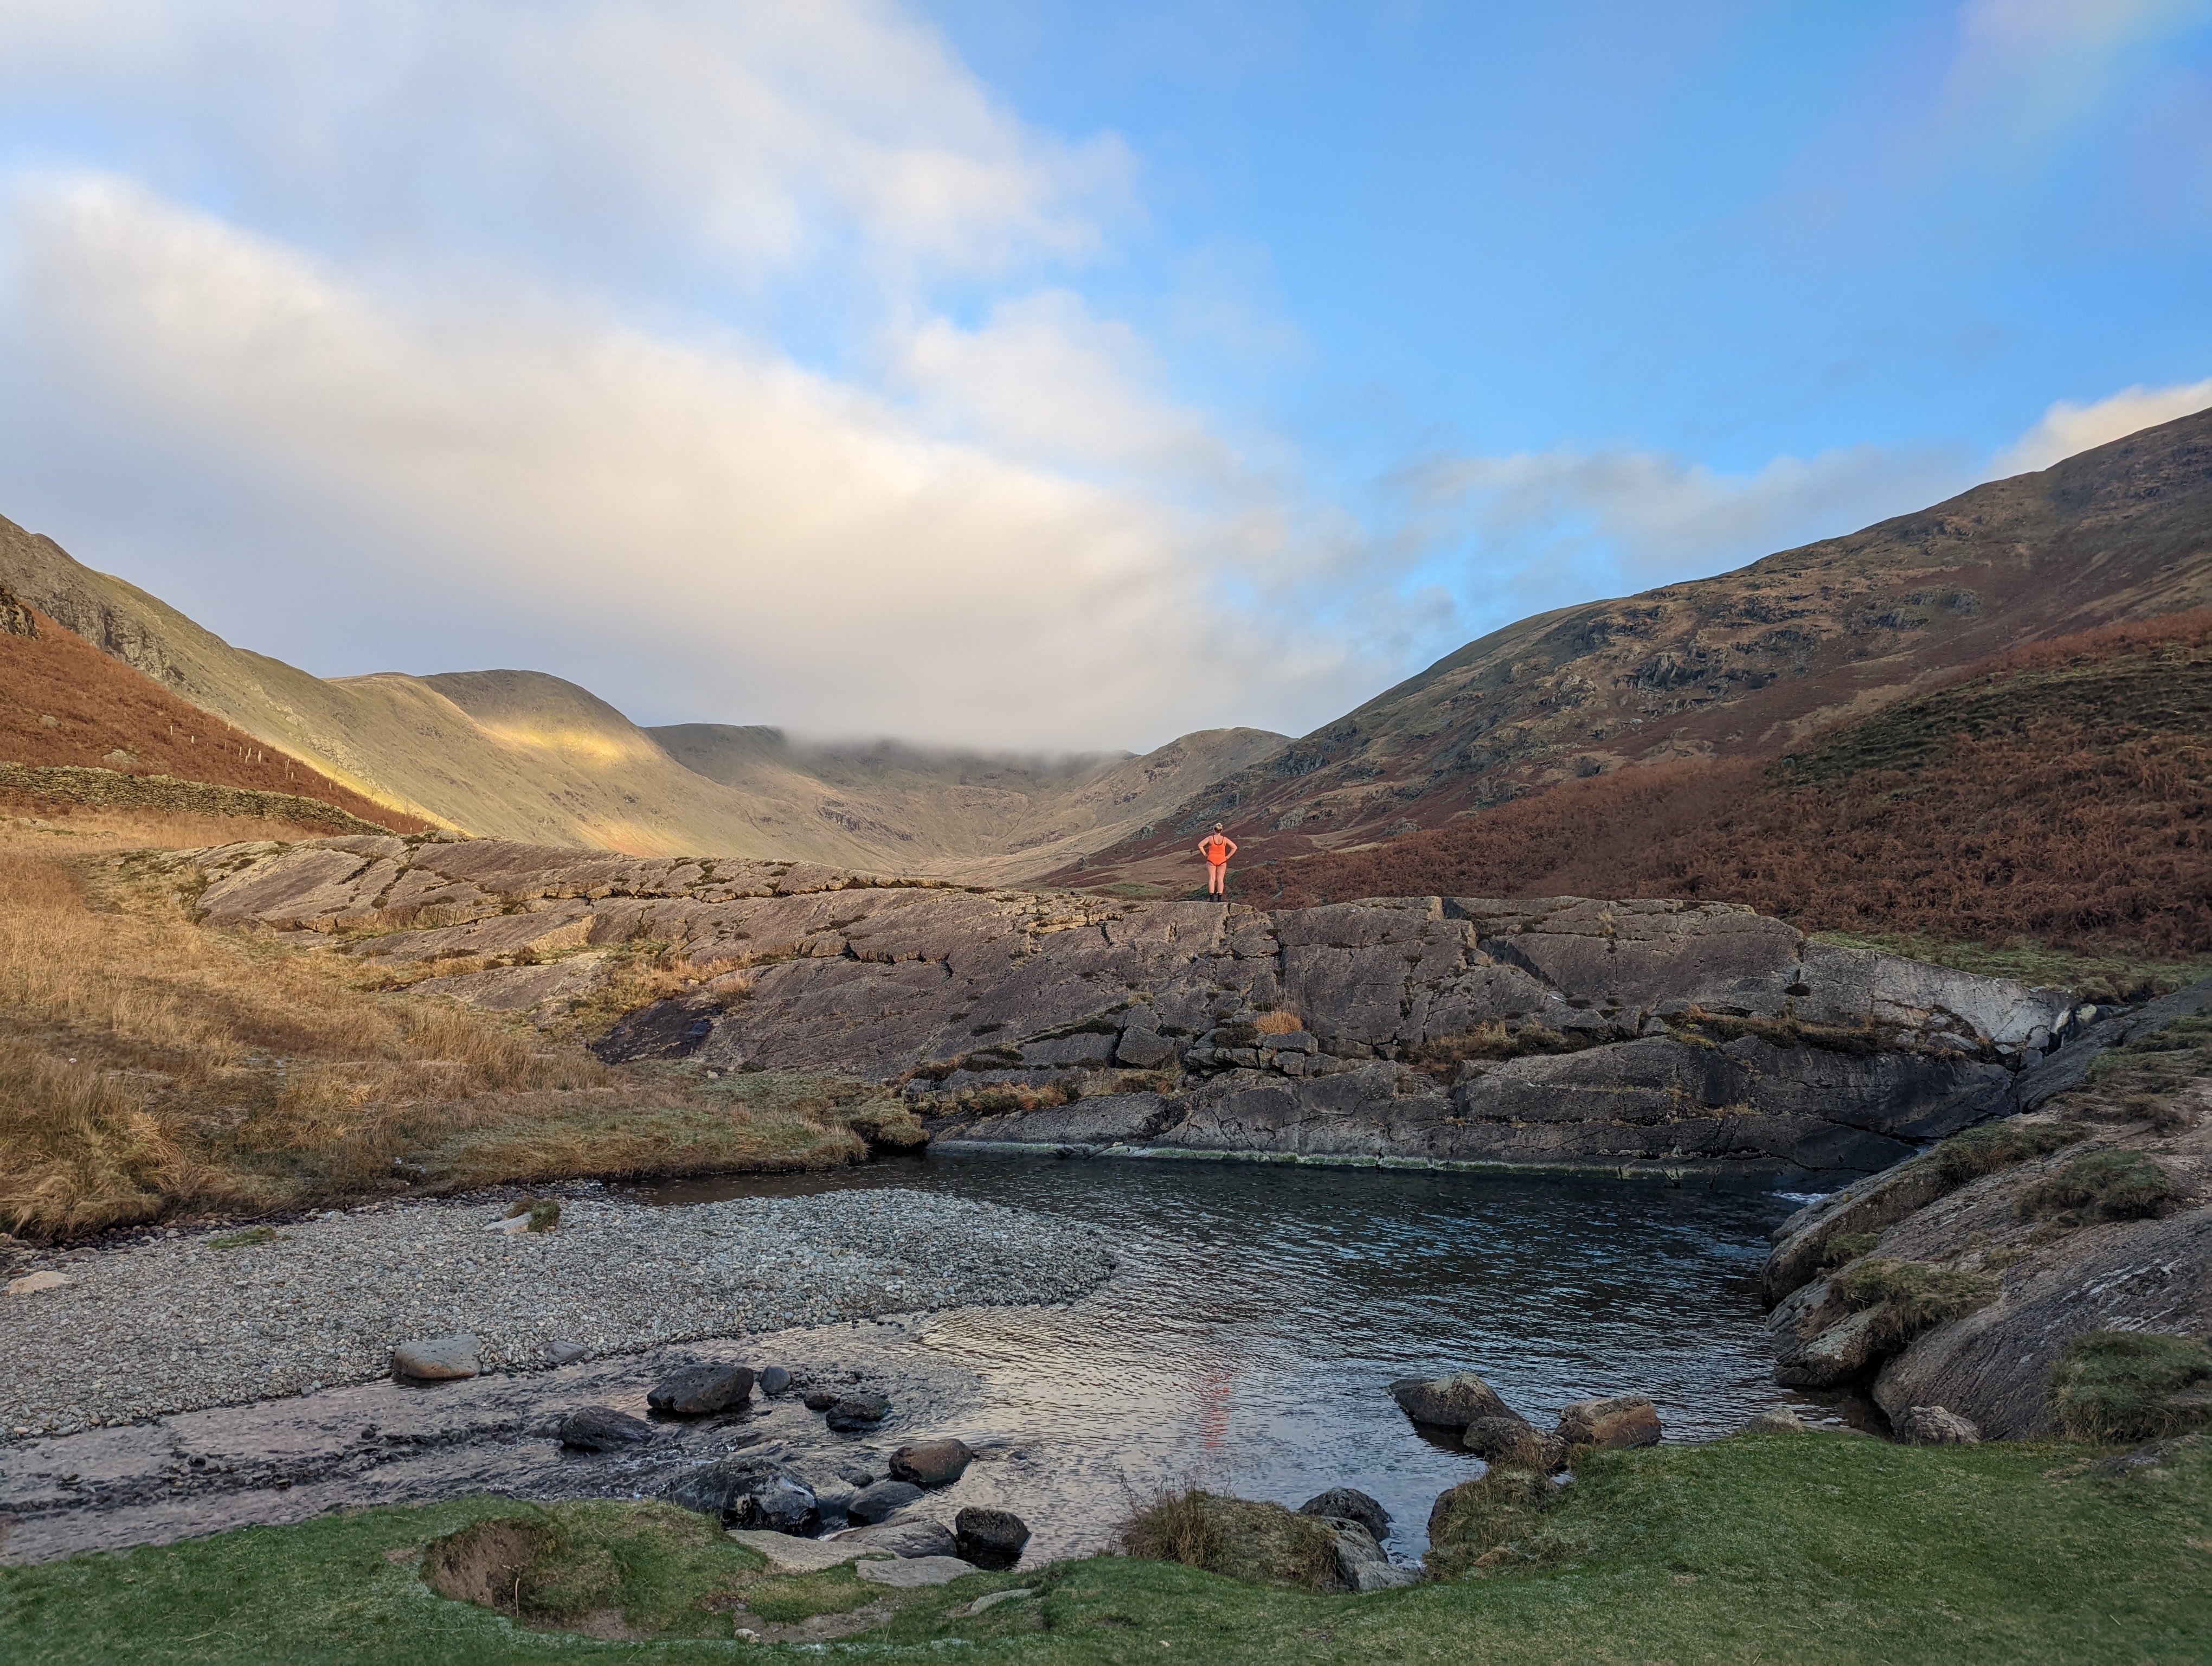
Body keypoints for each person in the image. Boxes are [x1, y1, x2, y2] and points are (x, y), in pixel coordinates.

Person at [1197, 823, 1237, 898]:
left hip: (1211, 859)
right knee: (1220, 880)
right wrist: (1228, 856)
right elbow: (1235, 847)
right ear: (1221, 831)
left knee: (1212, 879)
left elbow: (1200, 845)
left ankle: (1211, 898)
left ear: (1214, 830)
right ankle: (1219, 899)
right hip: (1222, 860)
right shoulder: (1225, 839)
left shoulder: (1210, 838)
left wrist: (1205, 854)